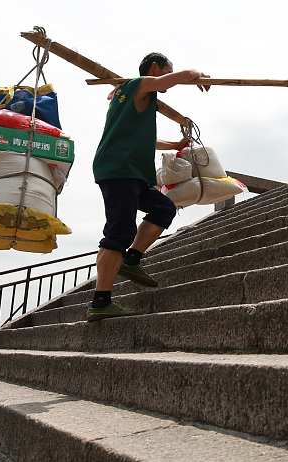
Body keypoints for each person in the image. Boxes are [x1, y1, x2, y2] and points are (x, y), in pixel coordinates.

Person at [88, 52, 210, 321]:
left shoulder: (128, 98)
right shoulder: (138, 84)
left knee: (163, 208)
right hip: (120, 168)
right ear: (155, 68)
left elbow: (147, 140)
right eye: (167, 71)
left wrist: (175, 146)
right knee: (119, 231)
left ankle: (132, 259)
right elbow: (185, 76)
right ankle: (100, 302)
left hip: (130, 171)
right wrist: (196, 73)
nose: (168, 80)